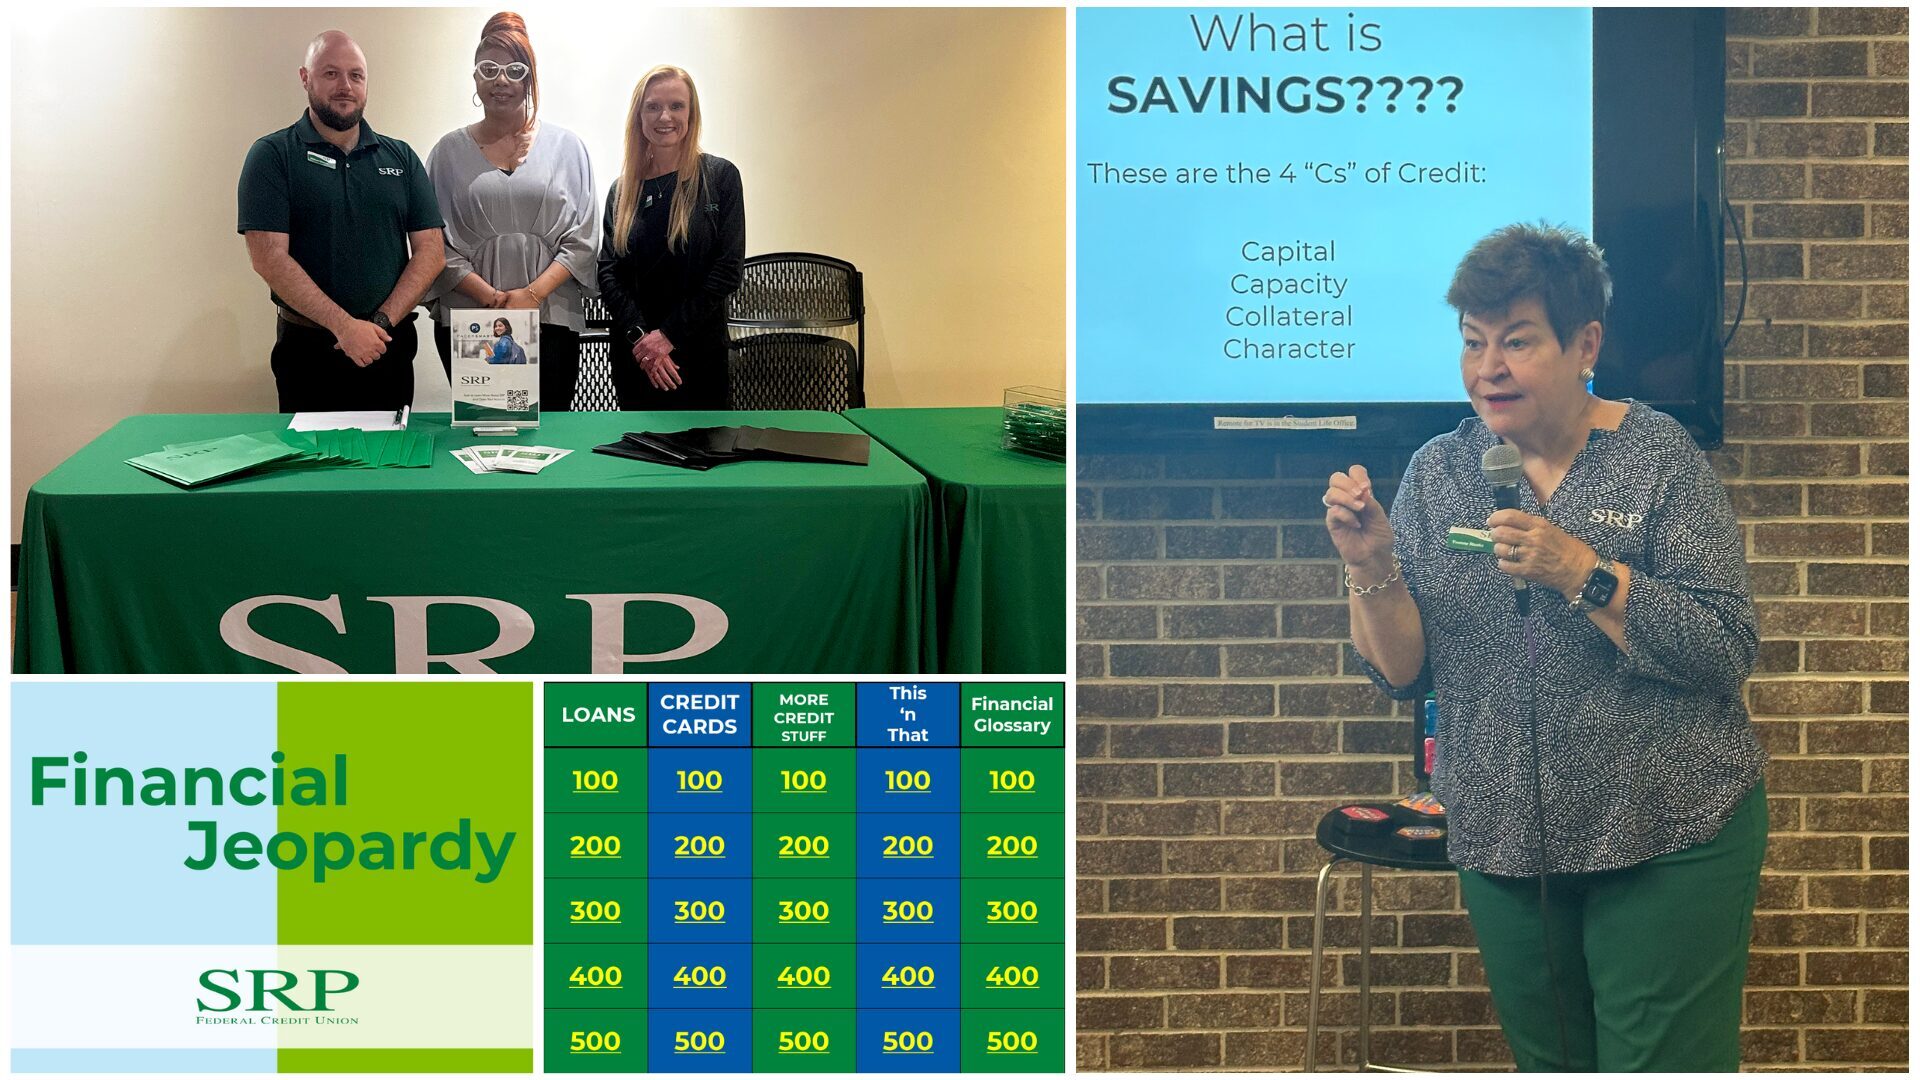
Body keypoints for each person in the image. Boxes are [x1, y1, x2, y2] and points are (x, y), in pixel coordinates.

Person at [1322, 223, 1766, 1072]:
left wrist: (1584, 572)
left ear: (1584, 344)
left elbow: (1723, 647)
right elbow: (1399, 670)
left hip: (1668, 827)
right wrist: (1371, 565)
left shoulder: (1657, 459)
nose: (1489, 367)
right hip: (1505, 836)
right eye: (1473, 343)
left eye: (1517, 342)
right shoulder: (1439, 473)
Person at [238, 30, 445, 412]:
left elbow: (431, 252)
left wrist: (379, 324)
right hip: (307, 353)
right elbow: (268, 257)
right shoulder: (272, 156)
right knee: (313, 468)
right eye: (331, 73)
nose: (345, 86)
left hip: (388, 349)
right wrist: (345, 328)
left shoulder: (401, 158)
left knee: (389, 467)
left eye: (356, 75)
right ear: (306, 78)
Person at [425, 11, 597, 411]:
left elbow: (584, 239)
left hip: (551, 316)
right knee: (484, 433)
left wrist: (531, 296)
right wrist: (492, 300)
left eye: (514, 69)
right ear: (474, 78)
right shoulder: (446, 153)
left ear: (530, 78)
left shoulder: (567, 148)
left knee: (547, 441)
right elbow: (434, 243)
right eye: (489, 68)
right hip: (471, 319)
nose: (501, 80)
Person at [596, 65, 745, 410]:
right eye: (653, 106)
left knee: (703, 457)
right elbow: (608, 272)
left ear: (692, 114)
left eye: (676, 106)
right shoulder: (621, 191)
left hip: (697, 355)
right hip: (637, 359)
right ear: (639, 116)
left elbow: (727, 270)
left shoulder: (720, 178)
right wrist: (642, 340)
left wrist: (667, 337)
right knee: (638, 461)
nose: (665, 116)